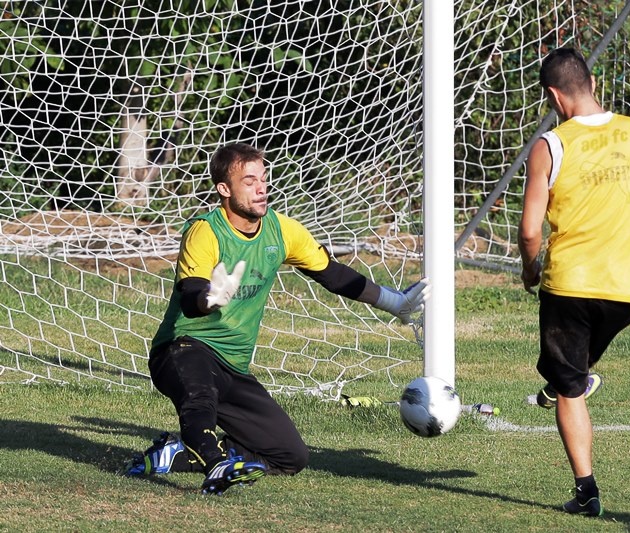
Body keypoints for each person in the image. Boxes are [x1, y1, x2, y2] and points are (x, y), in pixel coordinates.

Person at [126, 142, 429, 495]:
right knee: (200, 400)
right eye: (249, 181)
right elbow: (191, 297)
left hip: (233, 367)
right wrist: (210, 297)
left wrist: (397, 304)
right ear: (224, 189)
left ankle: (176, 455)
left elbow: (333, 275)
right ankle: (215, 465)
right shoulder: (205, 231)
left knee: (290, 456)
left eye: (264, 179)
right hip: (181, 351)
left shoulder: (282, 231)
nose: (261, 188)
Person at [517, 47, 630, 517]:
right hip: (629, 292)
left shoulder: (550, 145)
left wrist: (530, 270)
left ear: (553, 95)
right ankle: (566, 375)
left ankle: (586, 491)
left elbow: (531, 231)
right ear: (591, 82)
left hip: (571, 287)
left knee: (570, 386)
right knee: (571, 366)